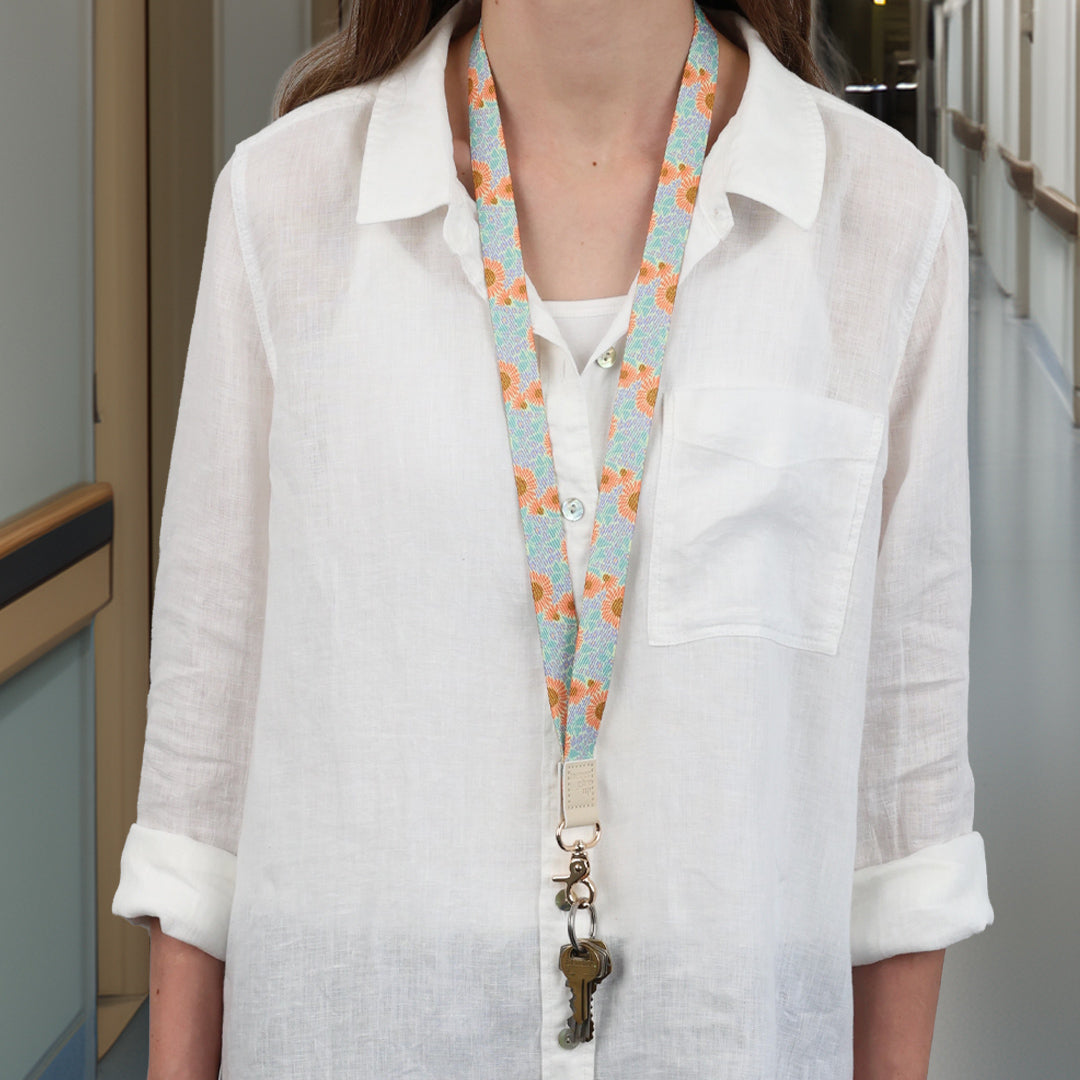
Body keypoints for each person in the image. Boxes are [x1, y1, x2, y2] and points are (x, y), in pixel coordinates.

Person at [112, 0, 995, 1076]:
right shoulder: (281, 205)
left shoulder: (889, 225)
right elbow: (202, 761)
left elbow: (903, 792)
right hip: (359, 1032)